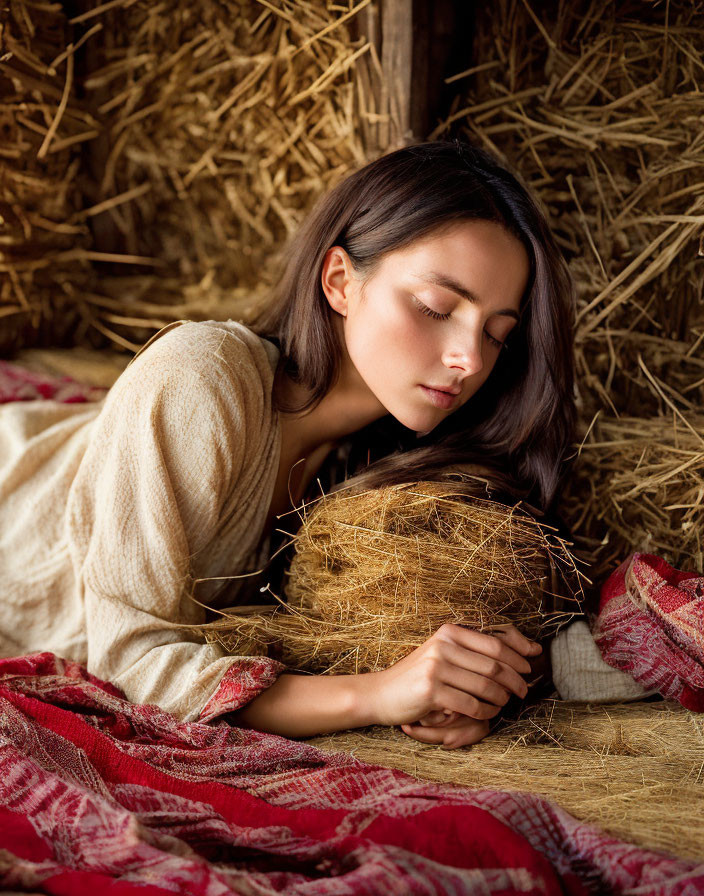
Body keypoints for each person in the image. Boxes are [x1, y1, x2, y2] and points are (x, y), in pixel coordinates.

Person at [0, 139, 576, 750]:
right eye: (437, 308)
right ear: (339, 282)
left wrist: (465, 686)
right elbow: (129, 663)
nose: (469, 358)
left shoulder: (389, 465)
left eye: (496, 334)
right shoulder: (202, 376)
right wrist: (379, 692)